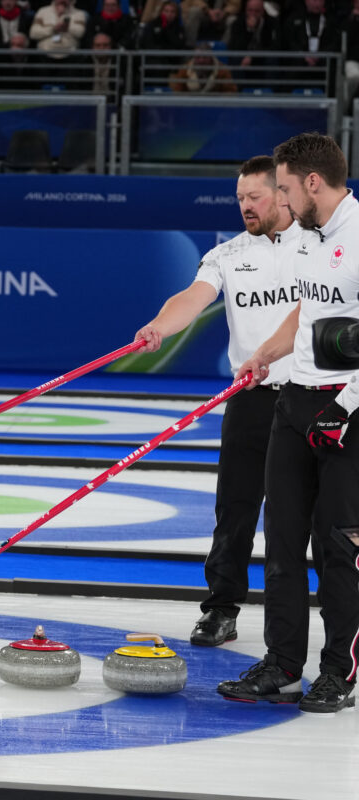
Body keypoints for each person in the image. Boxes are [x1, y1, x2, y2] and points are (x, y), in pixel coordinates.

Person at [135, 156, 298, 650]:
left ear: (283, 194)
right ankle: (221, 609)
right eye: (240, 198)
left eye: (255, 196)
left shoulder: (318, 247)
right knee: (234, 508)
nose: (245, 206)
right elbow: (192, 296)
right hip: (248, 399)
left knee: (310, 517)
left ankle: (320, 620)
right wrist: (159, 327)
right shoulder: (227, 254)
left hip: (309, 396)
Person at [223, 132, 359, 714]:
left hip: (350, 410)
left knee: (340, 550)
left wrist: (346, 406)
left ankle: (338, 672)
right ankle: (282, 664)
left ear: (310, 183)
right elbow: (308, 308)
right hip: (294, 403)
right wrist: (270, 352)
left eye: (281, 188)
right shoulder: (303, 235)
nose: (276, 201)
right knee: (280, 543)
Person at [169, 43, 238, 92]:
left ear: (211, 58)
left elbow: (230, 91)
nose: (201, 60)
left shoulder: (222, 71)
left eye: (205, 57)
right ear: (194, 57)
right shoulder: (184, 70)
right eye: (198, 57)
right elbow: (178, 91)